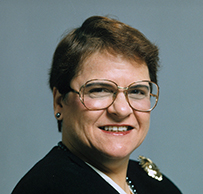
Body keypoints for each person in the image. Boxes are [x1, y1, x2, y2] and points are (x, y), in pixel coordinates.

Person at [12, 16, 182, 194]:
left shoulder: (155, 185)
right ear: (59, 102)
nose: (122, 110)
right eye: (100, 90)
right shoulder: (45, 189)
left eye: (137, 91)